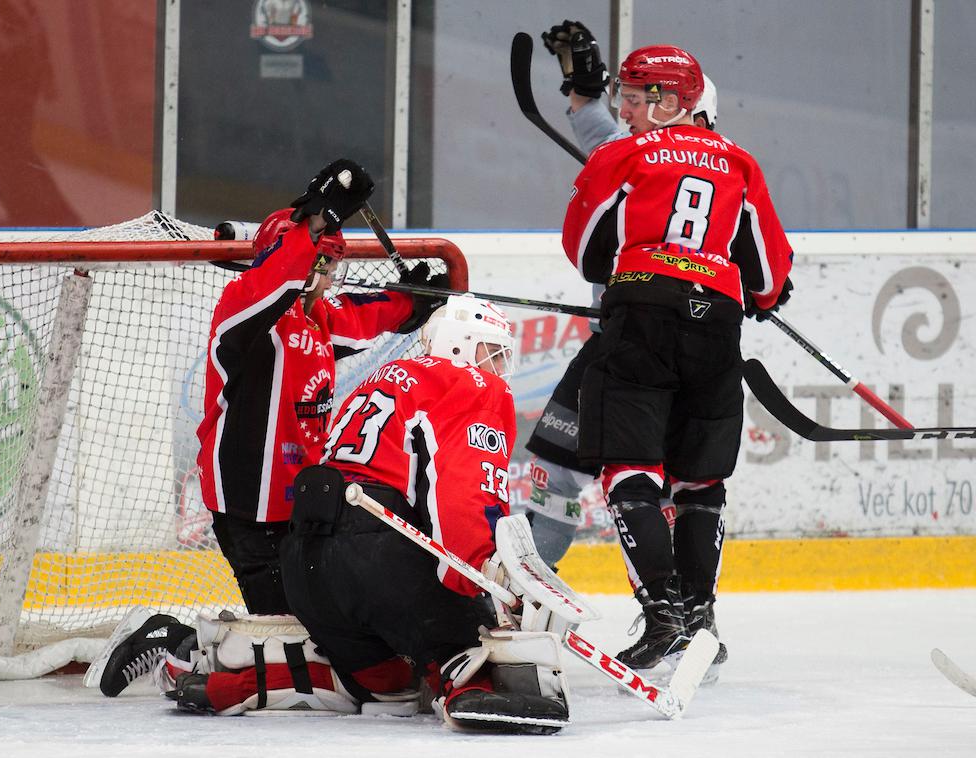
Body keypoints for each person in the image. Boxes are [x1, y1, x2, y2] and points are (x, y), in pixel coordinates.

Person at [90, 158, 448, 696]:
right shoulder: (245, 312)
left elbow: (365, 315)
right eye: (322, 265)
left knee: (321, 636)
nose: (328, 280)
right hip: (249, 507)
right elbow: (274, 279)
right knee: (293, 647)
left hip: (300, 509)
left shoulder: (317, 318)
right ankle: (172, 640)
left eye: (333, 268)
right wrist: (318, 218)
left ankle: (199, 645)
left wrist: (409, 303)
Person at [167, 296, 570, 733]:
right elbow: (461, 495)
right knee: (471, 653)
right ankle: (473, 685)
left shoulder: (377, 381)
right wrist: (484, 575)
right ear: (458, 346)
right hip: (375, 555)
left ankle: (244, 681)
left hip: (306, 563)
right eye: (491, 351)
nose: (497, 366)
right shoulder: (471, 384)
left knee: (390, 685)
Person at [561, 44, 793, 675]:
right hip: (715, 323)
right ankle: (701, 617)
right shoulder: (739, 161)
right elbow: (770, 271)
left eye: (640, 97)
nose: (629, 111)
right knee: (700, 477)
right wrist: (760, 292)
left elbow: (582, 248)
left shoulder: (624, 154)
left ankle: (663, 616)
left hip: (642, 314)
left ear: (672, 100)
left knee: (630, 467)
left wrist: (633, 263)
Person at [527, 21, 720, 572]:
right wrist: (584, 83)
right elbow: (598, 129)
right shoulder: (651, 154)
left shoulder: (708, 167)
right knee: (563, 468)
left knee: (645, 484)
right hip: (635, 344)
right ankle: (530, 591)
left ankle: (673, 614)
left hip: (654, 348)